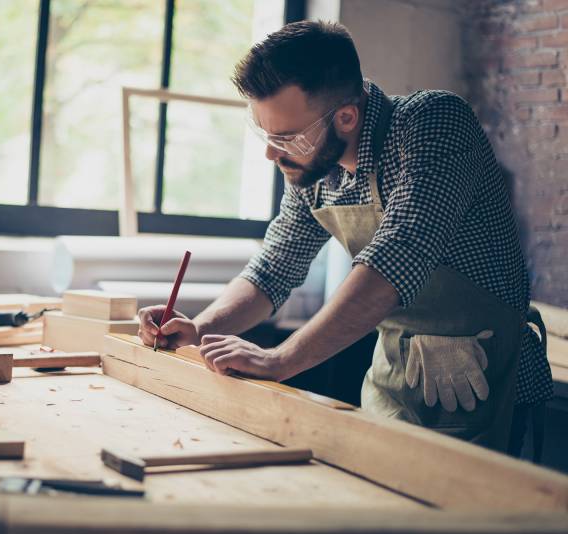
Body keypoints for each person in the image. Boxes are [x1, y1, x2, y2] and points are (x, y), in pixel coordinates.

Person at [136, 20, 552, 454]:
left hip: (488, 374)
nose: (270, 153)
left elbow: (396, 257)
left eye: (286, 138)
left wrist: (282, 359)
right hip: (393, 382)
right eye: (264, 134)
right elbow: (273, 269)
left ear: (346, 117)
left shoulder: (433, 124)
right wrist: (198, 328)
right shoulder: (313, 170)